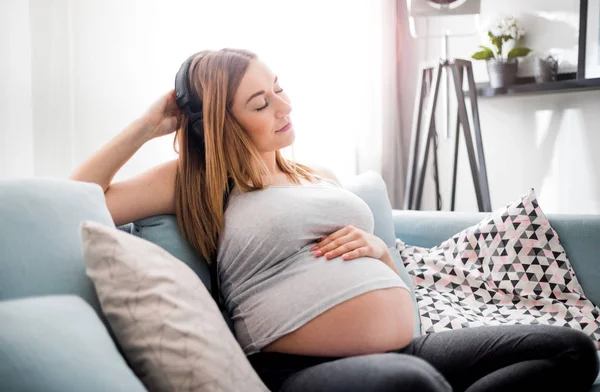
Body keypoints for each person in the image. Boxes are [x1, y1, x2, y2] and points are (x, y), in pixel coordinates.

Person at [70, 48, 599, 392]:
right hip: (294, 367)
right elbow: (75, 197)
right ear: (221, 123)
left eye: (278, 87)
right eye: (260, 102)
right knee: (409, 383)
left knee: (571, 350)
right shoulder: (199, 179)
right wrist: (145, 125)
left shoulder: (314, 172)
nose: (284, 105)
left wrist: (380, 251)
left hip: (404, 343)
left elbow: (387, 275)